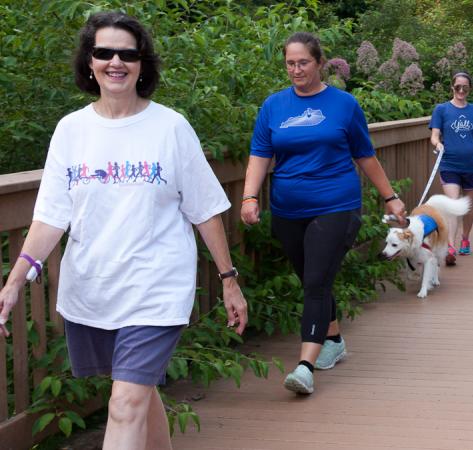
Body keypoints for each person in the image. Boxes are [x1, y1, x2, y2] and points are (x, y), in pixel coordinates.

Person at [0, 12, 247, 450]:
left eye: (128, 54)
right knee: (137, 390)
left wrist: (230, 281)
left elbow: (205, 211)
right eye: (104, 52)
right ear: (89, 62)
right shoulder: (71, 130)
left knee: (123, 404)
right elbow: (51, 216)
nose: (116, 61)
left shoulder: (170, 127)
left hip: (156, 288)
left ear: (142, 63)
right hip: (94, 288)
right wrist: (16, 279)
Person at [241, 32, 405, 395]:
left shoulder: (343, 104)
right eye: (290, 63)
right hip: (287, 209)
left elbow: (364, 154)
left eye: (303, 62)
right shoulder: (273, 106)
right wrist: (249, 197)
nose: (296, 69)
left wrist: (390, 197)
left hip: (336, 205)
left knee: (315, 282)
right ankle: (333, 339)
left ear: (319, 63)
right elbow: (260, 154)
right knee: (312, 279)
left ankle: (304, 365)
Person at [429, 72, 473, 266]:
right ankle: (450, 247)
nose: (461, 90)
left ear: (470, 89)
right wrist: (437, 144)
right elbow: (434, 135)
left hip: (471, 165)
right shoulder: (441, 109)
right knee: (452, 205)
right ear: (452, 87)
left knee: (467, 207)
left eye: (465, 88)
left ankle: (465, 238)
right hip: (449, 164)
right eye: (457, 87)